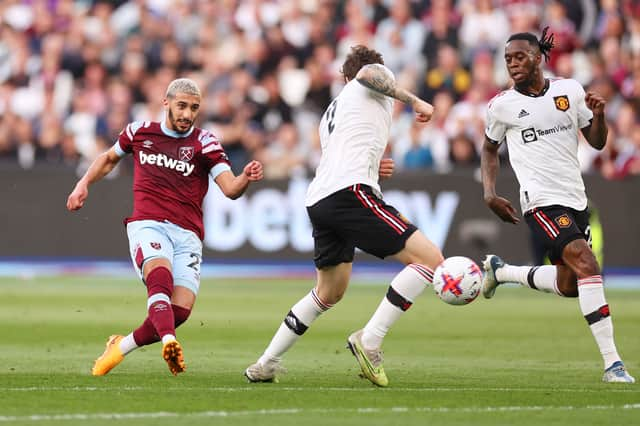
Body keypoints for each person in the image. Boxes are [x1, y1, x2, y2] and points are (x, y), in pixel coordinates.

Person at [244, 45, 444, 387]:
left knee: (328, 292)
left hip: (321, 199)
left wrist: (374, 166)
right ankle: (370, 340)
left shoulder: (331, 115)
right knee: (430, 261)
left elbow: (342, 153)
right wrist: (415, 101)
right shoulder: (368, 79)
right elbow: (370, 75)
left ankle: (266, 363)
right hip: (350, 192)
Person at [66, 78, 264, 376]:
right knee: (160, 277)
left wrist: (246, 177)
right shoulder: (139, 132)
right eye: (181, 106)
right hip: (148, 224)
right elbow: (108, 159)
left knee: (179, 312)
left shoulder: (205, 142)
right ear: (166, 103)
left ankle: (119, 347)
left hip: (188, 235)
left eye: (194, 108)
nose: (187, 114)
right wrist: (83, 184)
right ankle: (170, 341)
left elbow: (230, 189)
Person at [480, 28, 634, 383]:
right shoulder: (501, 106)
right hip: (540, 201)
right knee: (587, 262)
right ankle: (613, 364)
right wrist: (489, 193)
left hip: (574, 199)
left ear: (537, 57)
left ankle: (501, 272)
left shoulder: (570, 91)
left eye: (519, 57)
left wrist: (599, 116)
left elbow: (596, 143)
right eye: (507, 59)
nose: (513, 64)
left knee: (571, 284)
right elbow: (489, 148)